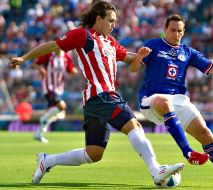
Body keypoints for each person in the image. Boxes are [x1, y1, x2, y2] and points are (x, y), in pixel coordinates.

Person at [9, 1, 185, 186]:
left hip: (95, 102)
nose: (114, 25)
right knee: (135, 126)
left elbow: (132, 58)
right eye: (110, 20)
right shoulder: (83, 35)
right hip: (102, 96)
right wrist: (24, 57)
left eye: (115, 21)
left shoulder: (110, 42)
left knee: (93, 154)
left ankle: (47, 161)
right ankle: (156, 170)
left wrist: (153, 56)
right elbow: (53, 45)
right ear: (98, 18)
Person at [130, 14, 213, 187]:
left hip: (178, 101)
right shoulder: (153, 45)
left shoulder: (188, 52)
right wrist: (139, 57)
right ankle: (188, 152)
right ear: (165, 30)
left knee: (205, 133)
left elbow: (210, 67)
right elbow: (134, 68)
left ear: (183, 32)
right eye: (172, 30)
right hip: (151, 100)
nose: (176, 34)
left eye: (179, 31)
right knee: (164, 101)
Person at [32, 48, 78, 143]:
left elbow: (70, 70)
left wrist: (75, 71)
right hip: (49, 86)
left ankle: (39, 133)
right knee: (62, 106)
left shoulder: (66, 57)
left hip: (59, 88)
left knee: (54, 112)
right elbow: (36, 63)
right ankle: (43, 119)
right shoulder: (48, 54)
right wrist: (40, 68)